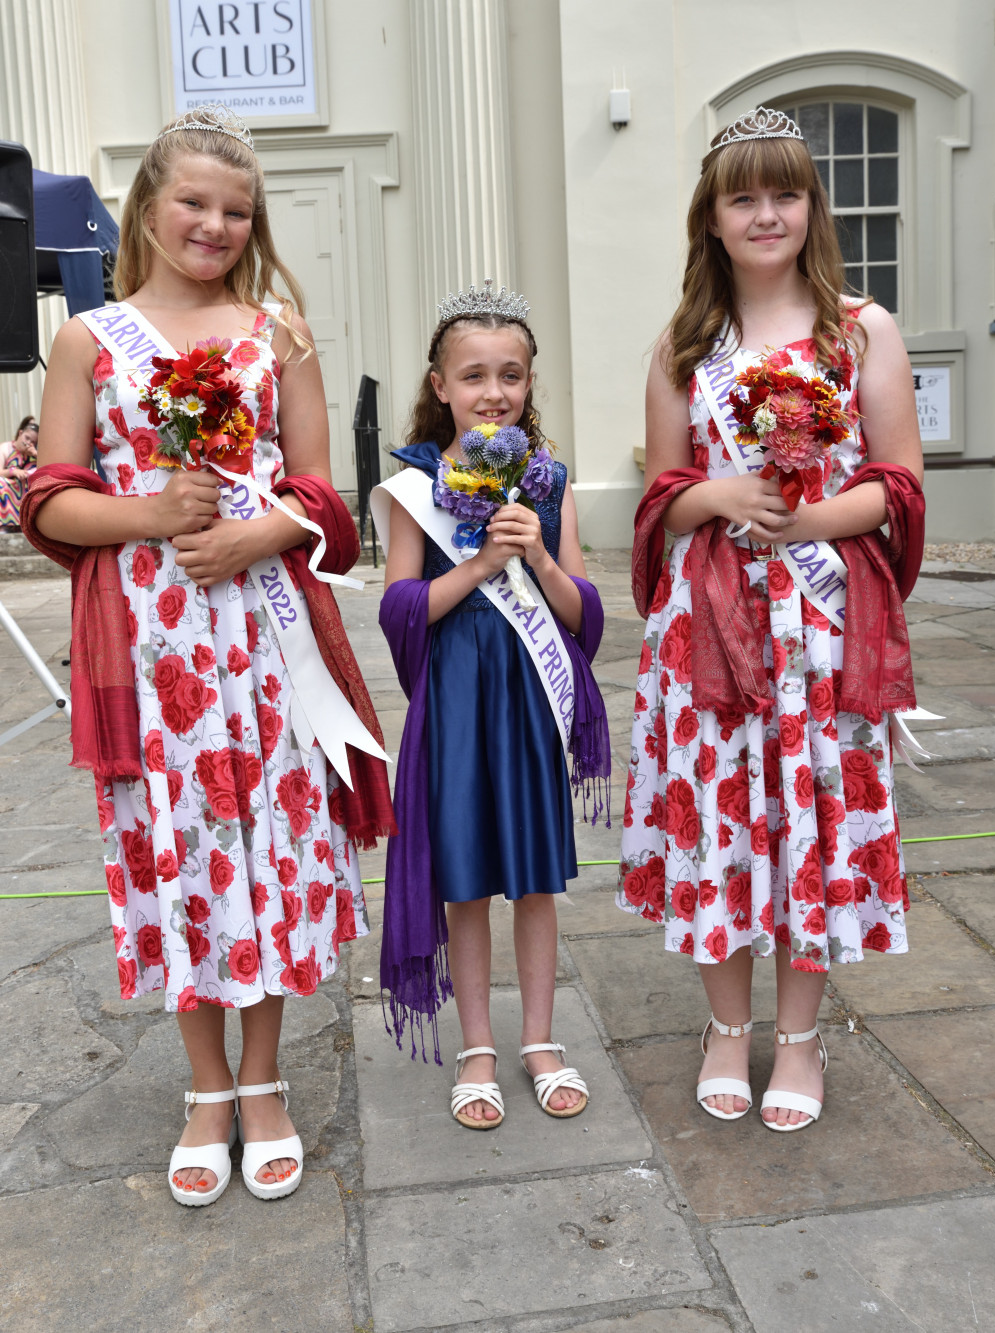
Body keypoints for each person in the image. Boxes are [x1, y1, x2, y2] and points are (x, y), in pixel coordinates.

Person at [23, 104, 394, 1204]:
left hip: (263, 633)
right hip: (149, 645)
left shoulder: (277, 331)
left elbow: (325, 492)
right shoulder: (91, 340)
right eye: (193, 201)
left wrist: (257, 531)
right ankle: (204, 1089)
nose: (215, 224)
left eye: (237, 210)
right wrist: (151, 514)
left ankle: (266, 1079)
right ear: (148, 204)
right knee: (181, 849)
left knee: (266, 846)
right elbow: (50, 498)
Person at [620, 107, 924, 1132]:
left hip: (825, 628)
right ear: (709, 216)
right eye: (742, 195)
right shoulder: (683, 344)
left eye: (783, 192)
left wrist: (805, 518)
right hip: (710, 627)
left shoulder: (859, 328)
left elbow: (898, 480)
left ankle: (797, 1037)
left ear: (810, 205)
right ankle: (723, 1027)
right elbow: (662, 490)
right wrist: (718, 500)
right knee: (720, 819)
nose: (765, 213)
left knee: (812, 822)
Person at [373, 281, 610, 1128]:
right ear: (441, 384)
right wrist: (473, 568)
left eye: (511, 374)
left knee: (536, 879)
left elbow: (584, 615)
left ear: (530, 382)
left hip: (528, 693)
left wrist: (539, 558)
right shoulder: (415, 485)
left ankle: (539, 1038)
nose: (494, 391)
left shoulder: (550, 482)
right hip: (459, 699)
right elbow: (400, 606)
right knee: (466, 879)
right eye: (473, 374)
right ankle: (478, 1043)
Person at [0, 415, 39, 529]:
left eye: (33, 441)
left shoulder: (34, 454)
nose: (29, 443)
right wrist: (13, 471)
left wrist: (35, 454)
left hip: (27, 490)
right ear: (20, 433)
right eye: (27, 438)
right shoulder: (5, 448)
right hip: (8, 487)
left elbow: (47, 467)